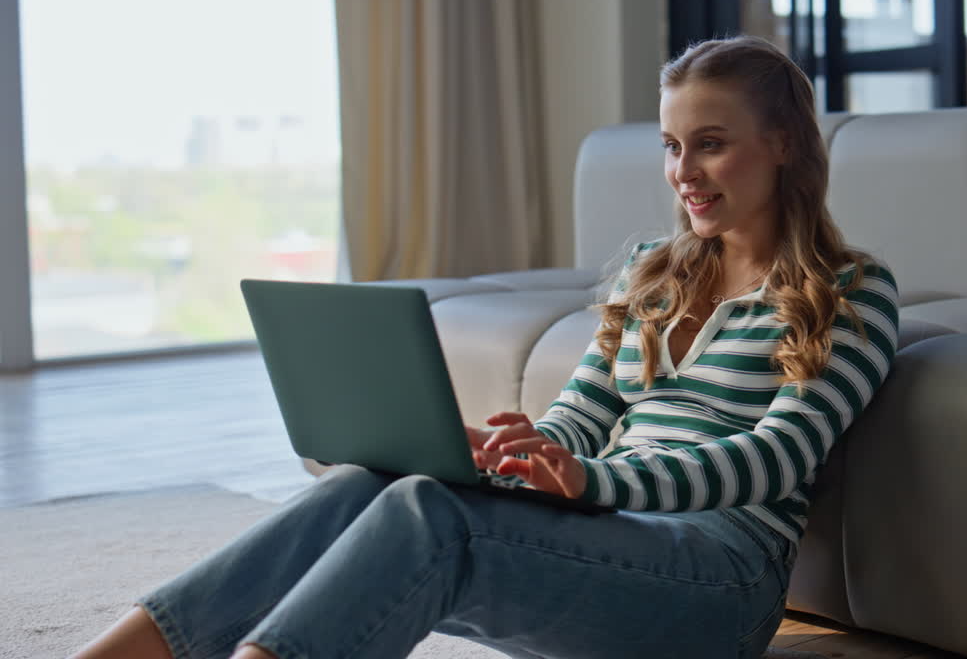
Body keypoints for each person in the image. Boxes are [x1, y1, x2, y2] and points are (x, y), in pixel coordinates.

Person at [72, 35, 900, 659]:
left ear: (785, 142)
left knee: (433, 519)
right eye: (671, 146)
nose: (684, 170)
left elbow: (778, 459)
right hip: (620, 533)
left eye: (710, 142)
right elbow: (584, 414)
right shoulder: (652, 273)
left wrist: (592, 480)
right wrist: (527, 456)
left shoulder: (848, 290)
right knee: (376, 482)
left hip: (720, 581)